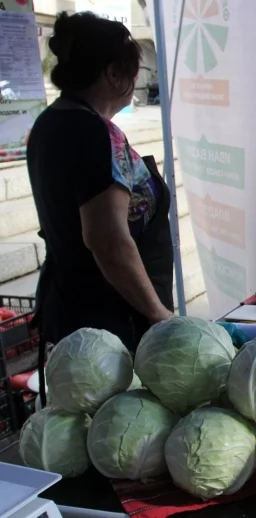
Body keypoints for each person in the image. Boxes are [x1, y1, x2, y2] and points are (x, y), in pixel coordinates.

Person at [27, 12, 173, 351]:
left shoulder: (49, 122)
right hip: (111, 319)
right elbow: (108, 240)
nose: (136, 81)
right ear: (112, 73)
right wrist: (157, 313)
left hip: (73, 305)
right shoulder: (95, 134)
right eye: (134, 71)